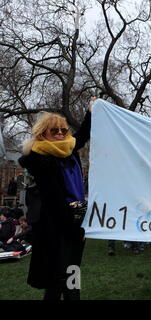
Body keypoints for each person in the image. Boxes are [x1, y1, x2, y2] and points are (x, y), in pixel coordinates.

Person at [18, 98, 94, 300]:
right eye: (55, 131)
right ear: (43, 134)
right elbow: (54, 200)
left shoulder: (68, 148)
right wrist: (74, 227)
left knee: (72, 272)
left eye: (63, 130)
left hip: (75, 221)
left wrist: (90, 111)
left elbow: (83, 134)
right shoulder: (39, 159)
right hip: (56, 226)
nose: (61, 134)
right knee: (59, 277)